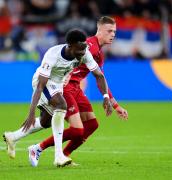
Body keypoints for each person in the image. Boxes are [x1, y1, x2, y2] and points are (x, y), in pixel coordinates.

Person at [27, 16, 128, 167]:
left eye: (114, 31)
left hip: (76, 88)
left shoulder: (98, 51)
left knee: (92, 125)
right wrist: (66, 77)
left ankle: (64, 156)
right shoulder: (89, 47)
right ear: (99, 31)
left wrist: (114, 104)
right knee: (77, 130)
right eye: (109, 31)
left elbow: (100, 77)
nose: (113, 34)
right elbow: (68, 62)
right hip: (66, 88)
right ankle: (38, 148)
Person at [3, 29, 112, 167]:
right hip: (43, 82)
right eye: (79, 50)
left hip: (58, 84)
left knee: (45, 122)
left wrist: (106, 96)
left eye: (84, 49)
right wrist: (31, 113)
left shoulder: (84, 52)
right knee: (62, 105)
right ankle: (59, 155)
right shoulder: (52, 55)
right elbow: (40, 85)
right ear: (70, 46)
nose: (82, 53)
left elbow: (99, 75)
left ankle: (13, 137)